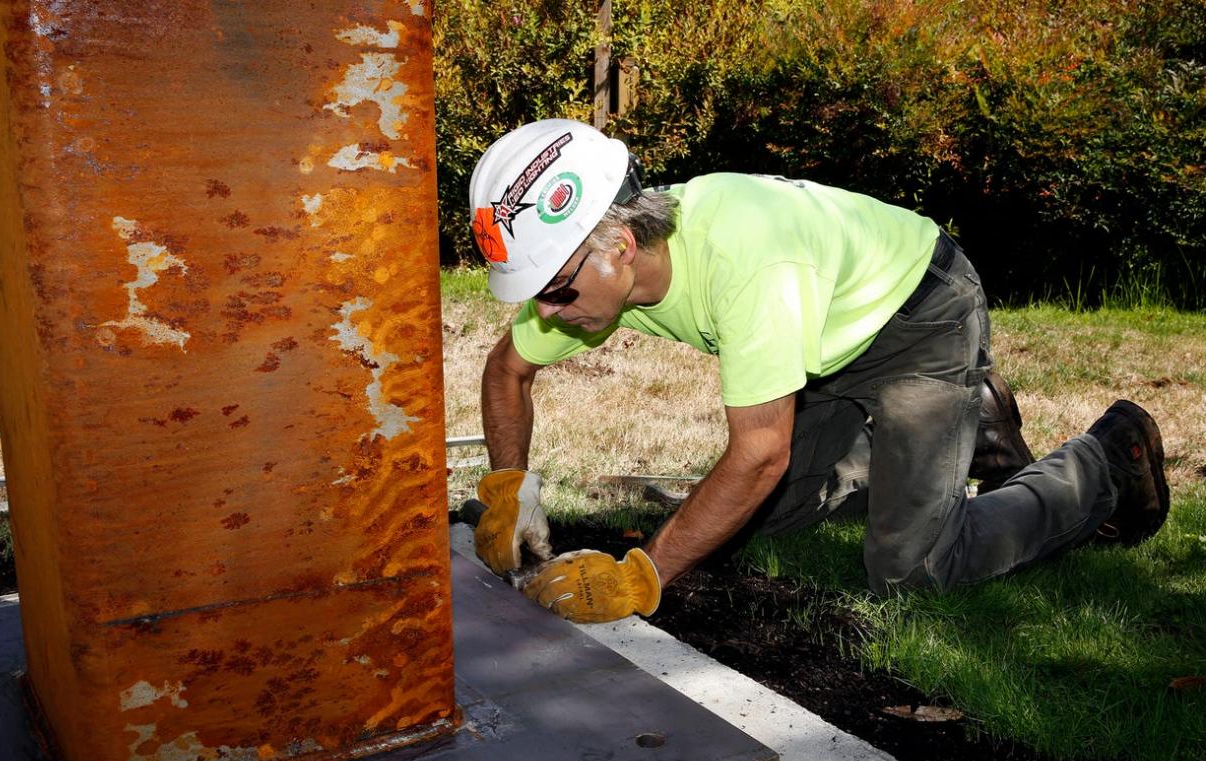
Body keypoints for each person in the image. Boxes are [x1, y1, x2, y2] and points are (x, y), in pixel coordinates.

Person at [468, 118, 1170, 623]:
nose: (549, 315)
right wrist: (510, 492)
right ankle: (948, 432)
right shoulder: (592, 279)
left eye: (555, 290)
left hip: (919, 319)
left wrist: (642, 577)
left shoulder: (747, 263)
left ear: (621, 244)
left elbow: (759, 454)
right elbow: (507, 373)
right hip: (825, 343)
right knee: (764, 521)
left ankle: (1101, 463)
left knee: (912, 571)